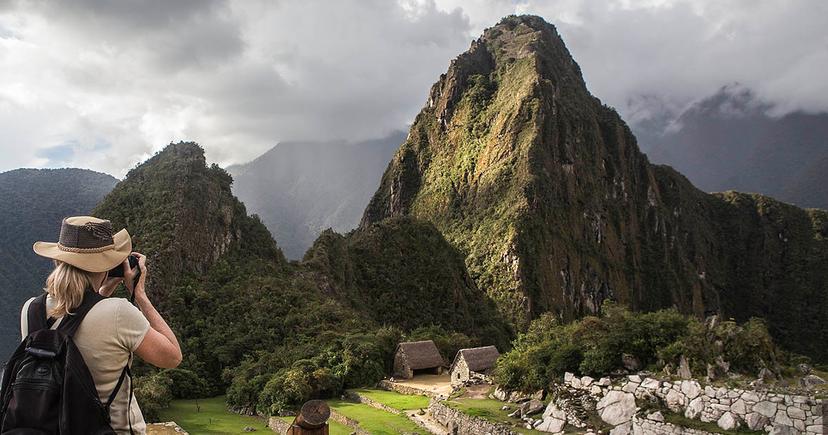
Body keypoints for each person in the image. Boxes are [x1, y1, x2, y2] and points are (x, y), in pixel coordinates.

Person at [20, 216, 182, 434]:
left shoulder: (31, 309)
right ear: (106, 266)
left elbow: (75, 320)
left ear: (58, 260)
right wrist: (140, 295)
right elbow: (171, 357)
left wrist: (101, 290)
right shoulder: (119, 313)